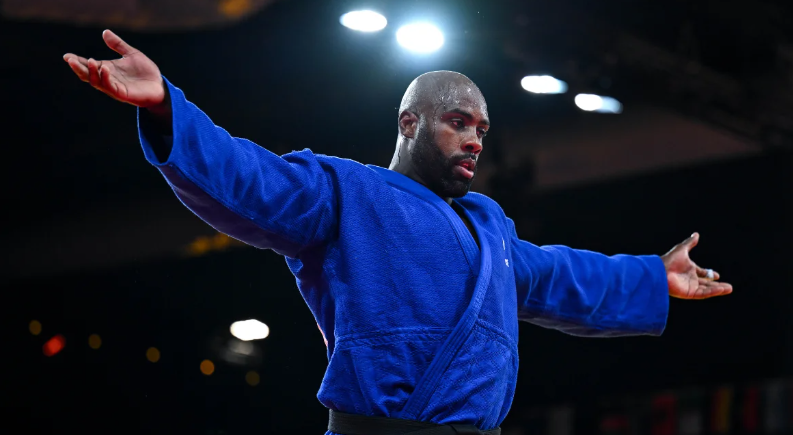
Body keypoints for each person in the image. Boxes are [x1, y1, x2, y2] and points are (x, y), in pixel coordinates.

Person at [64, 30, 733, 435]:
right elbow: (250, 178)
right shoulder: (347, 192)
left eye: (482, 129)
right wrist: (165, 106)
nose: (474, 139)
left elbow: (561, 275)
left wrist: (653, 274)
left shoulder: (488, 228)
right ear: (409, 122)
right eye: (458, 122)